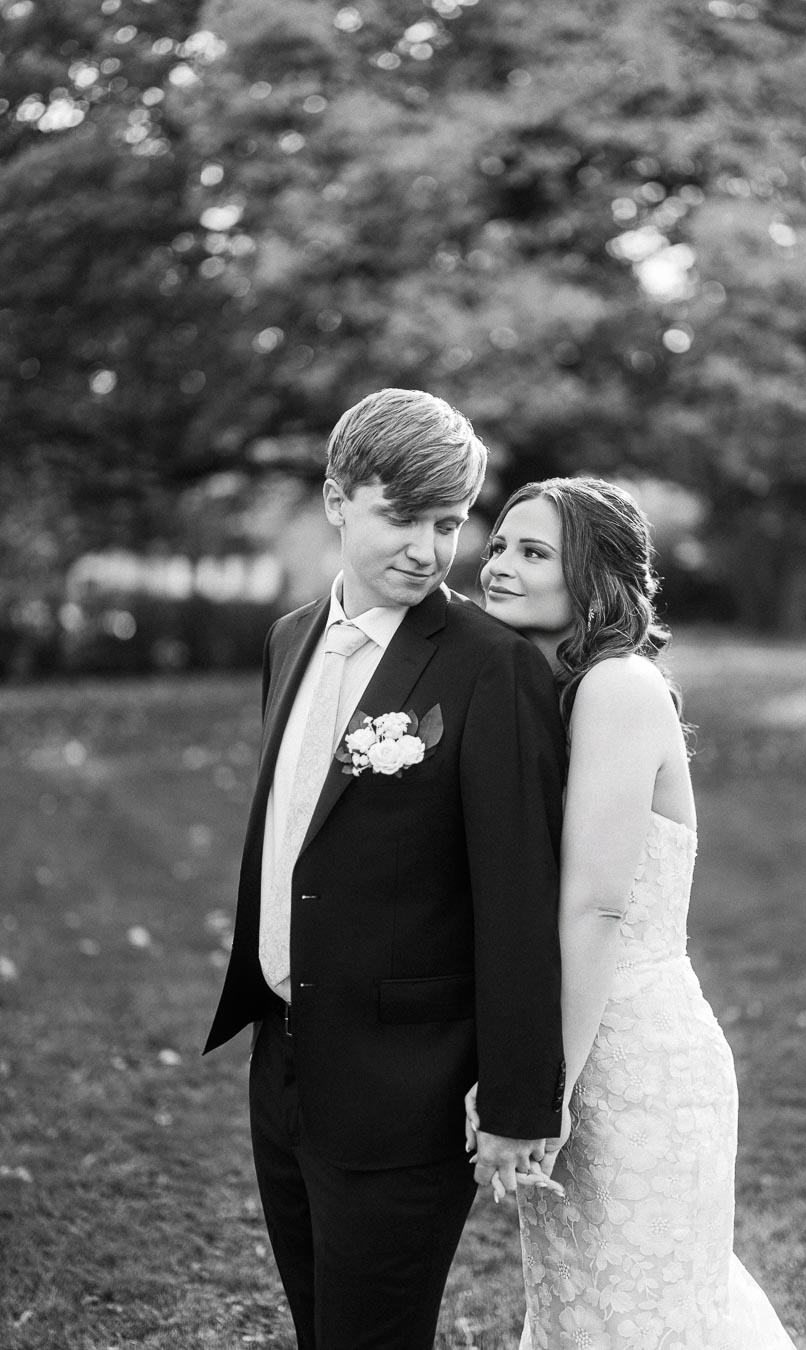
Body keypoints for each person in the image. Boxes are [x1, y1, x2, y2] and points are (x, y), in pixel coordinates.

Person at [204, 389, 568, 1350]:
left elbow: (520, 897)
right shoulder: (287, 640)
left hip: (408, 1083)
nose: (427, 548)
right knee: (318, 1324)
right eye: (401, 517)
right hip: (281, 1057)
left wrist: (520, 1100)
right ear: (336, 500)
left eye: (448, 523)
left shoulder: (495, 670)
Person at [471, 476, 798, 1348]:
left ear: (595, 578)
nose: (500, 564)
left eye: (534, 552)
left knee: (646, 1316)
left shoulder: (618, 687)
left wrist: (541, 1092)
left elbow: (596, 908)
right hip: (582, 1041)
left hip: (633, 1068)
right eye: (500, 544)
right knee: (587, 1314)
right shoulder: (550, 691)